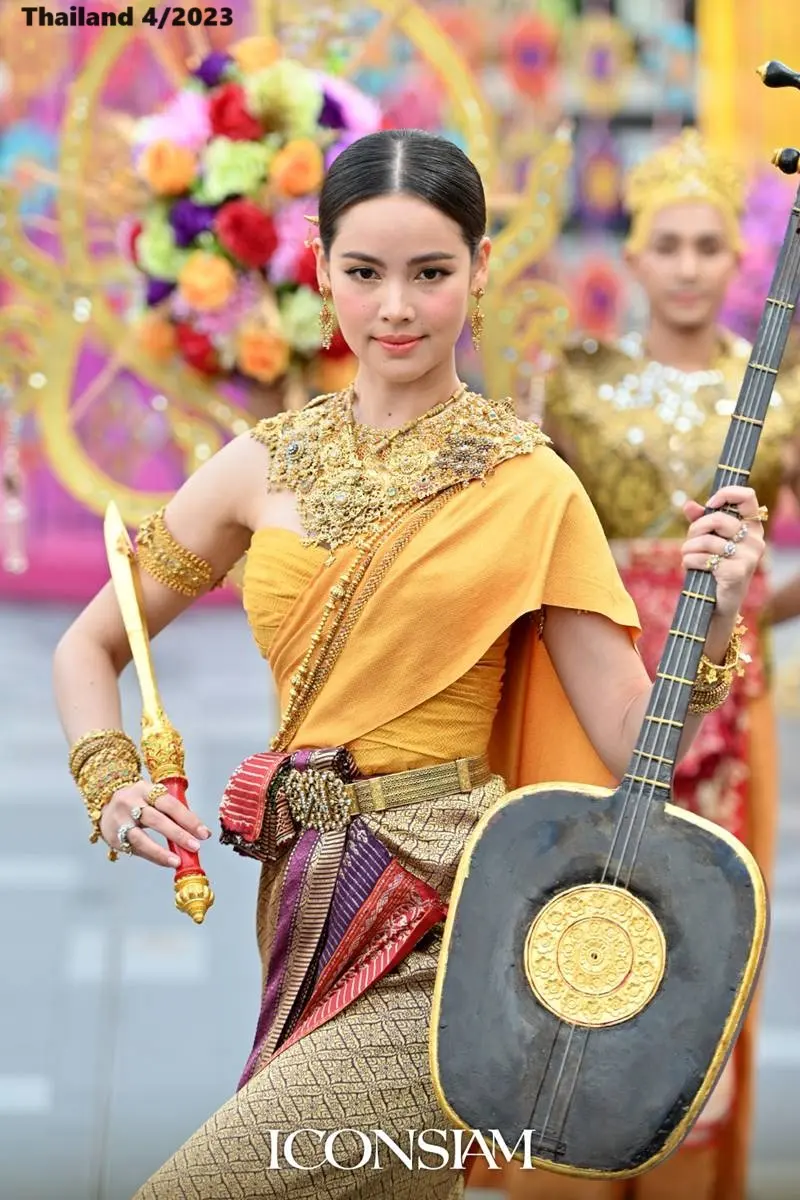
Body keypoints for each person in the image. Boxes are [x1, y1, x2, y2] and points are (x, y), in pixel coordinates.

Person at [53, 129, 766, 1200]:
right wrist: (111, 782)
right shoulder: (261, 463)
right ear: (318, 263)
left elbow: (631, 741)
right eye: (364, 272)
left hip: (451, 915)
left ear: (479, 270)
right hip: (297, 898)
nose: (396, 307)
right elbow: (91, 643)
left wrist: (712, 619)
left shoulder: (532, 487)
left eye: (430, 274)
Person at [473, 129, 796, 1200]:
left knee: (703, 930)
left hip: (721, 692)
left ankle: (677, 1164)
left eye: (710, 244)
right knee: (569, 906)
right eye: (669, 243)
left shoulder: (777, 400)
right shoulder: (571, 382)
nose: (691, 264)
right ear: (636, 255)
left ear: (731, 261)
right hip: (594, 677)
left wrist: (737, 603)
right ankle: (561, 1150)